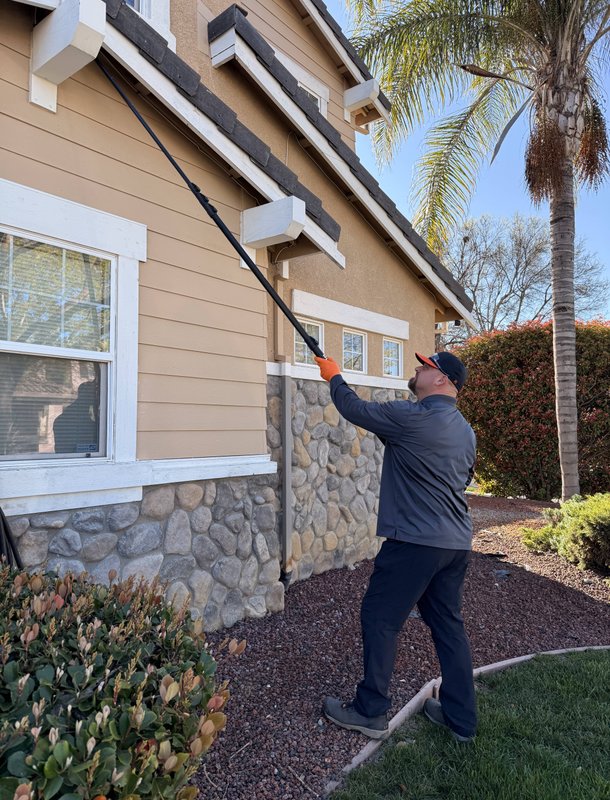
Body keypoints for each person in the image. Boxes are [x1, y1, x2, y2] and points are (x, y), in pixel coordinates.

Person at [314, 351, 477, 743]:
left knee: (380, 618)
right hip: (455, 545)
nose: (417, 369)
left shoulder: (411, 416)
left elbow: (354, 408)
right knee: (448, 627)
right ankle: (461, 720)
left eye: (426, 366)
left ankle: (370, 711)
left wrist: (333, 375)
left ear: (442, 380)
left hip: (414, 544)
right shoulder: (465, 430)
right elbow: (465, 477)